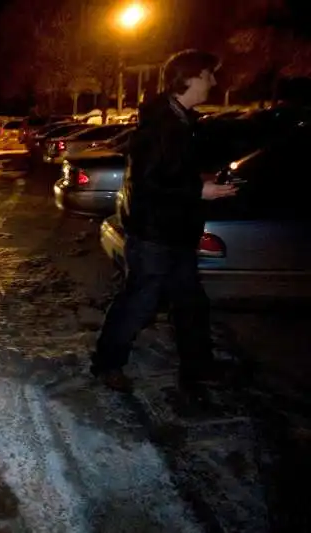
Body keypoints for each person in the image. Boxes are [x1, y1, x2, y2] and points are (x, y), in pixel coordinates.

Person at [91, 49, 238, 394]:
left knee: (190, 303)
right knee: (139, 303)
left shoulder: (182, 121)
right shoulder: (160, 125)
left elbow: (170, 172)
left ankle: (198, 367)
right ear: (188, 79)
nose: (213, 82)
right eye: (207, 75)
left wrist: (201, 180)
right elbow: (148, 183)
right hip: (155, 236)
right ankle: (107, 364)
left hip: (177, 233)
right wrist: (198, 190)